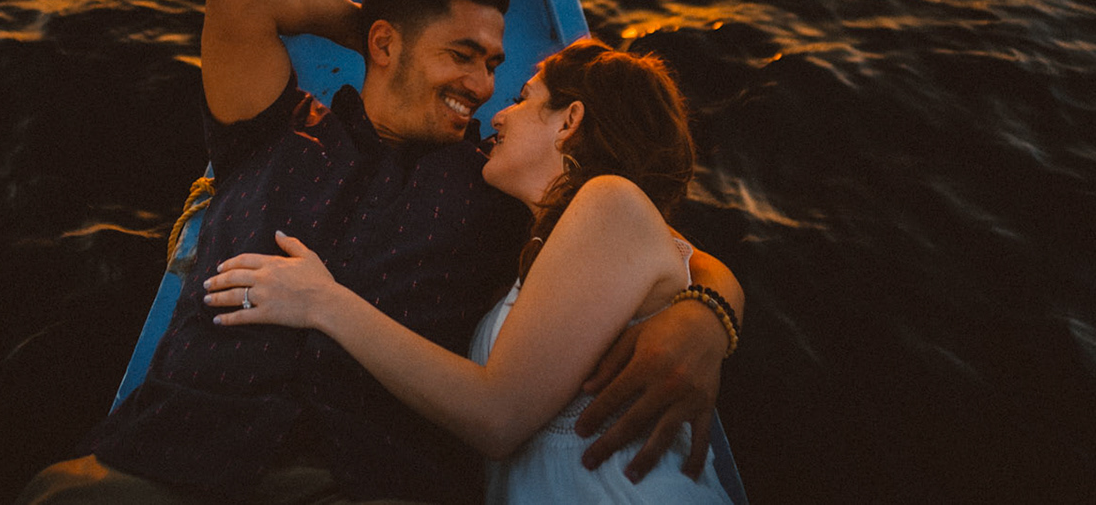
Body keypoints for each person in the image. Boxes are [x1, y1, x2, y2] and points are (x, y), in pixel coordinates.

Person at [17, 0, 741, 505]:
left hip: (365, 475)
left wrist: (709, 314)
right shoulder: (268, 132)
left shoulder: (493, 189)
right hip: (176, 452)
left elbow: (656, 249)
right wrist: (376, 29)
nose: (484, 87)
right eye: (463, 55)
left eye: (495, 66)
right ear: (386, 45)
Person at [203, 38, 738, 504]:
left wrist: (324, 302)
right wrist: (715, 309)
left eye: (522, 99)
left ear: (570, 121)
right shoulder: (552, 243)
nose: (498, 116)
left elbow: (497, 417)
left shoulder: (610, 201)